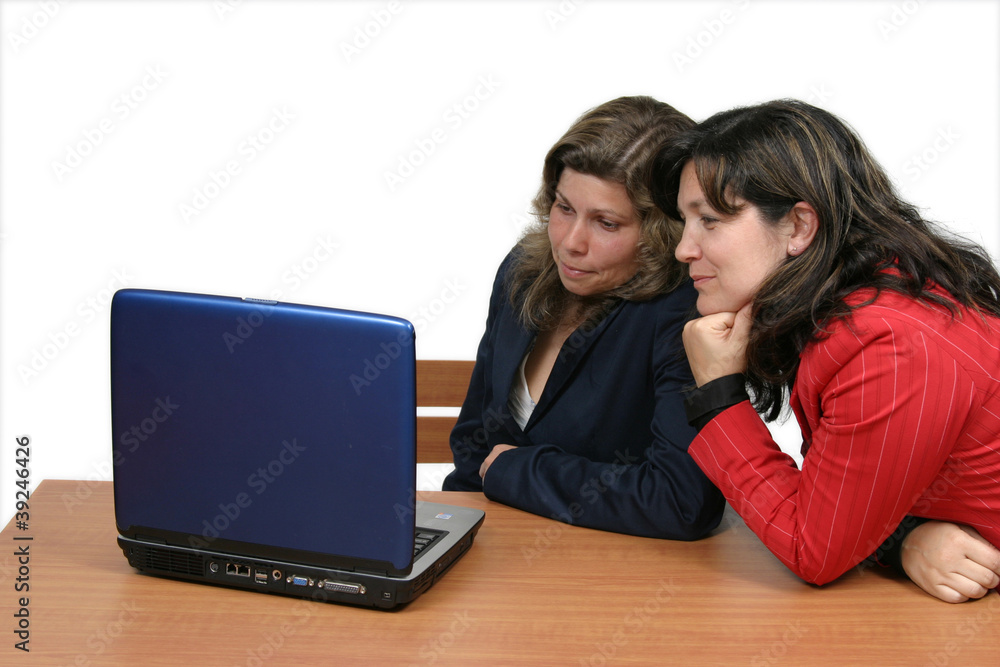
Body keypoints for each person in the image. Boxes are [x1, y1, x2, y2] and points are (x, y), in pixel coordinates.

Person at [649, 99, 1000, 599]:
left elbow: (814, 550)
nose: (685, 248)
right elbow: (840, 503)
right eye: (685, 222)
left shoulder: (887, 344)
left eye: (708, 220)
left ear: (798, 227)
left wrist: (718, 396)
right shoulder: (856, 308)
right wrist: (903, 542)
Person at [441, 96, 725, 540]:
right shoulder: (523, 269)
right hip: (495, 543)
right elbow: (474, 438)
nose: (571, 243)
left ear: (660, 233)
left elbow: (682, 500)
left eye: (606, 223)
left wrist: (515, 470)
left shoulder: (684, 313)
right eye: (564, 207)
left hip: (612, 569)